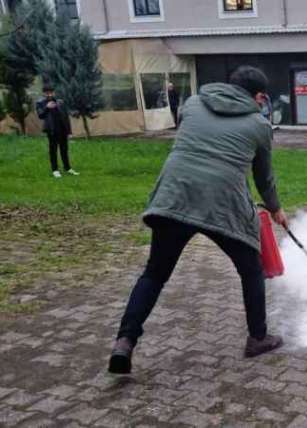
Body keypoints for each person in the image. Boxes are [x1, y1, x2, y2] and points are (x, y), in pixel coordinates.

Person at [108, 66, 288, 374]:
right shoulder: (260, 124)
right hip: (222, 205)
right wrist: (276, 209)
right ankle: (258, 337)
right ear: (259, 97)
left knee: (154, 273)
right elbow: (263, 177)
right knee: (251, 269)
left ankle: (125, 341)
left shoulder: (192, 103)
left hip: (175, 197)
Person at [36, 85, 78, 178]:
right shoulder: (40, 103)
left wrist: (69, 131)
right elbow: (40, 115)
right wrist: (47, 108)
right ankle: (55, 170)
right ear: (44, 93)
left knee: (64, 150)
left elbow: (66, 117)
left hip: (62, 129)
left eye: (51, 92)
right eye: (47, 93)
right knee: (53, 150)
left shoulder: (60, 102)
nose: (49, 94)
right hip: (52, 130)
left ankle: (67, 168)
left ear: (54, 92)